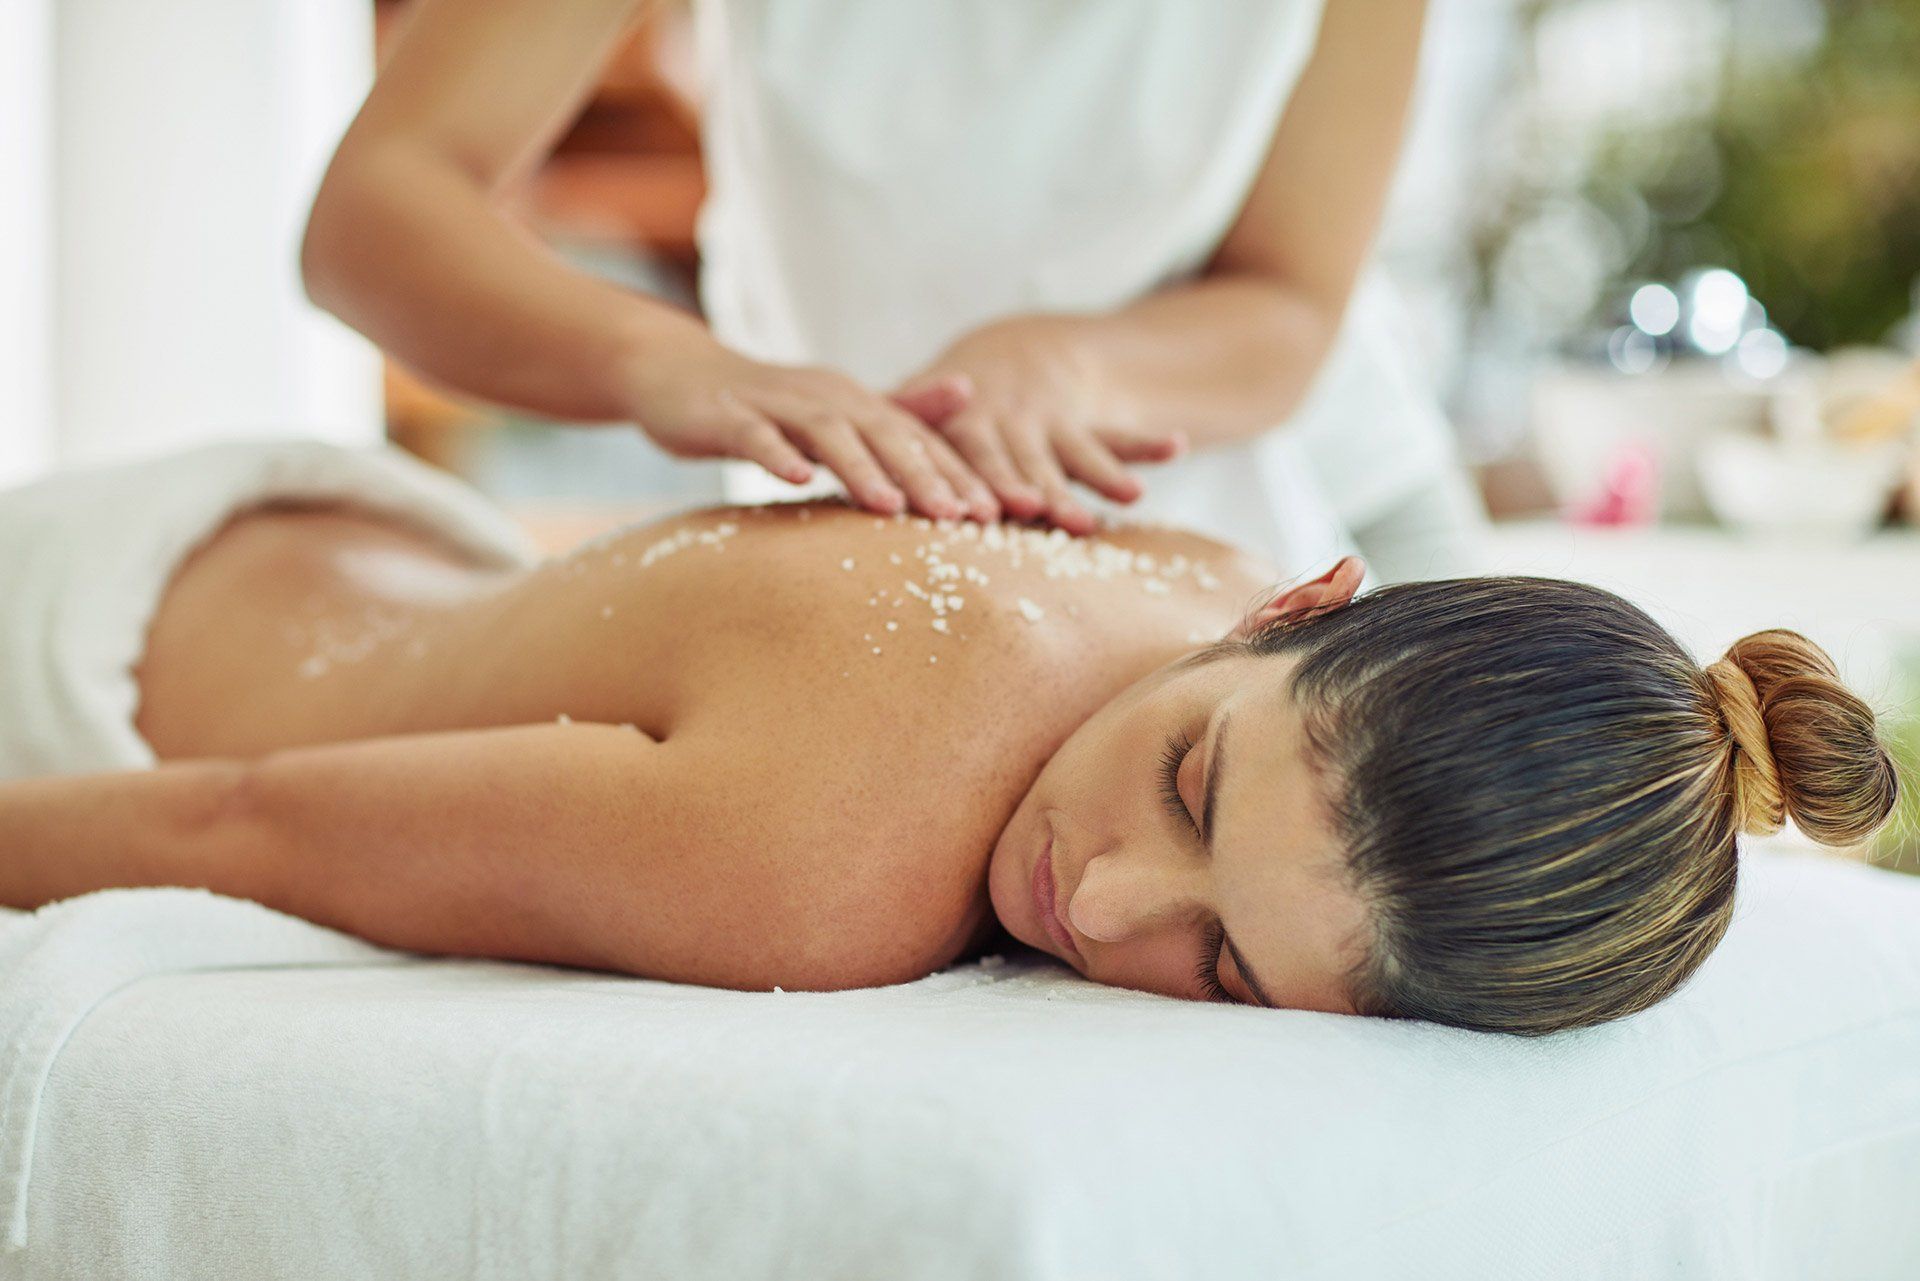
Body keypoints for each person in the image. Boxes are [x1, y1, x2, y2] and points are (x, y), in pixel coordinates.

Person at [0, 439, 1897, 1034]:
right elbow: (239, 821)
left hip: (368, 537)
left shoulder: (1200, 574)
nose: (1104, 897)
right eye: (1190, 784)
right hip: (94, 648)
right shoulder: (820, 862)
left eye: (1223, 966)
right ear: (1296, 605)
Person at [302, 0, 1483, 580]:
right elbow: (372, 216)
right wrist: (659, 358)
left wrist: (1066, 364)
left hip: (1306, 500)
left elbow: (1289, 306)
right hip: (859, 510)